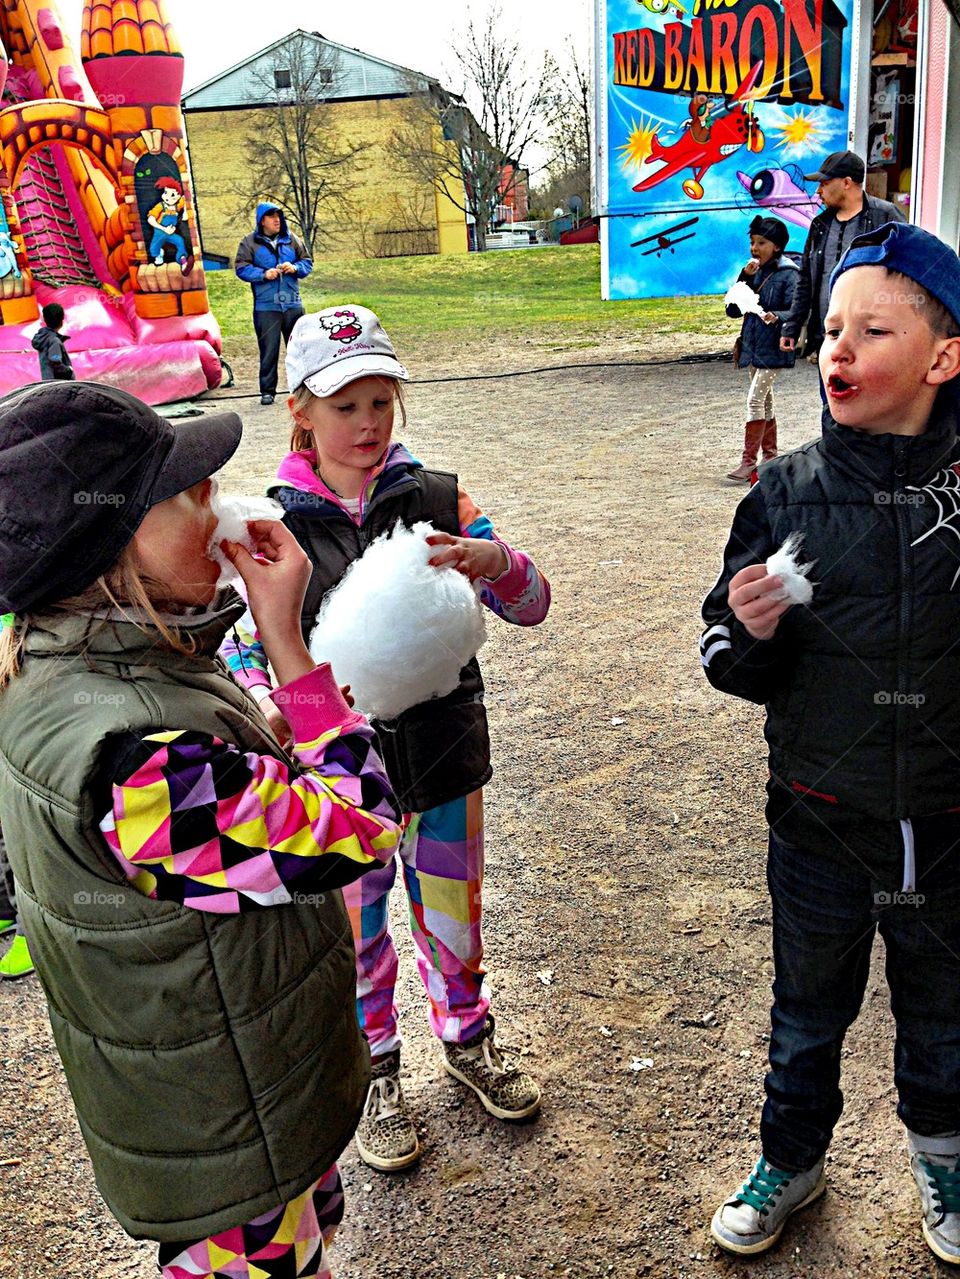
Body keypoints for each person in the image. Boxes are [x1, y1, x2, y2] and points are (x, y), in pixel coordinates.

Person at [0, 381, 403, 1278]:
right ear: (110, 549)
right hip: (234, 1143)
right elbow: (362, 823)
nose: (220, 509)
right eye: (189, 496)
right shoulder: (135, 756)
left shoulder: (79, 662)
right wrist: (290, 645)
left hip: (233, 1101)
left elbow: (230, 782)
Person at [222, 304, 552, 1173]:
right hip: (340, 785)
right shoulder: (271, 525)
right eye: (344, 407)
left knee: (454, 916)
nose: (367, 424)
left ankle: (467, 1037)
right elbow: (248, 650)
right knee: (358, 933)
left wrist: (493, 562)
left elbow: (533, 603)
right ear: (300, 409)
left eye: (381, 402)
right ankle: (377, 1070)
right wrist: (284, 709)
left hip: (443, 759)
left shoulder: (441, 498)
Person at [700, 222, 960, 1262]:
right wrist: (748, 628)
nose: (837, 350)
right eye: (833, 329)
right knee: (806, 1014)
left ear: (944, 358)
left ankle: (944, 1161)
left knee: (945, 1019)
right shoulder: (787, 493)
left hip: (947, 829)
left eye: (872, 330)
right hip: (820, 820)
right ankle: (791, 1158)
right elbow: (722, 650)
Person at [780, 150, 904, 360]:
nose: (818, 191)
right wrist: (792, 326)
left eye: (824, 183)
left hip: (868, 338)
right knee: (828, 392)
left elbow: (904, 274)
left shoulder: (886, 216)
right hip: (826, 336)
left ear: (846, 183)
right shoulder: (820, 224)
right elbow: (805, 279)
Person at [724, 215, 798, 481]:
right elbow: (732, 309)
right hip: (753, 345)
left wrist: (776, 315)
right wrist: (743, 279)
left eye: (762, 243)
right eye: (753, 242)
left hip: (775, 347)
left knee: (754, 399)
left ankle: (749, 463)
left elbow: (796, 309)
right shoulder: (753, 272)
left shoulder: (789, 274)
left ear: (777, 246)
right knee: (765, 401)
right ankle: (770, 458)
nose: (755, 248)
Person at [235, 202, 312, 406]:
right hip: (266, 307)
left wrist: (295, 267)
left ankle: (303, 389)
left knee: (298, 350)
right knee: (268, 351)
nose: (277, 220)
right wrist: (262, 274)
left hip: (293, 305)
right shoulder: (249, 242)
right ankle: (267, 391)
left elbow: (307, 262)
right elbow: (241, 267)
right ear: (262, 221)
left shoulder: (291, 239)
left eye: (279, 216)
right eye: (271, 216)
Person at [31, 302, 74, 381]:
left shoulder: (44, 338)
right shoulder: (54, 341)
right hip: (59, 385)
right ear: (62, 321)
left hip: (49, 381)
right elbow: (55, 360)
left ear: (45, 319)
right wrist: (68, 370)